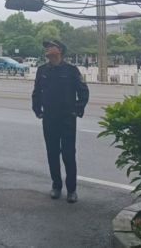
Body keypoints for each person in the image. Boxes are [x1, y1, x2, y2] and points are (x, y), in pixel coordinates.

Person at [32, 40, 89, 203]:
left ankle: (72, 189)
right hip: (49, 117)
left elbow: (83, 91)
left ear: (60, 50)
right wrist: (37, 110)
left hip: (67, 118)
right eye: (46, 47)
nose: (47, 49)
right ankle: (56, 185)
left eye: (51, 47)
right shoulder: (42, 70)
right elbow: (37, 92)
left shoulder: (71, 70)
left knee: (69, 154)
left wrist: (77, 109)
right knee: (52, 152)